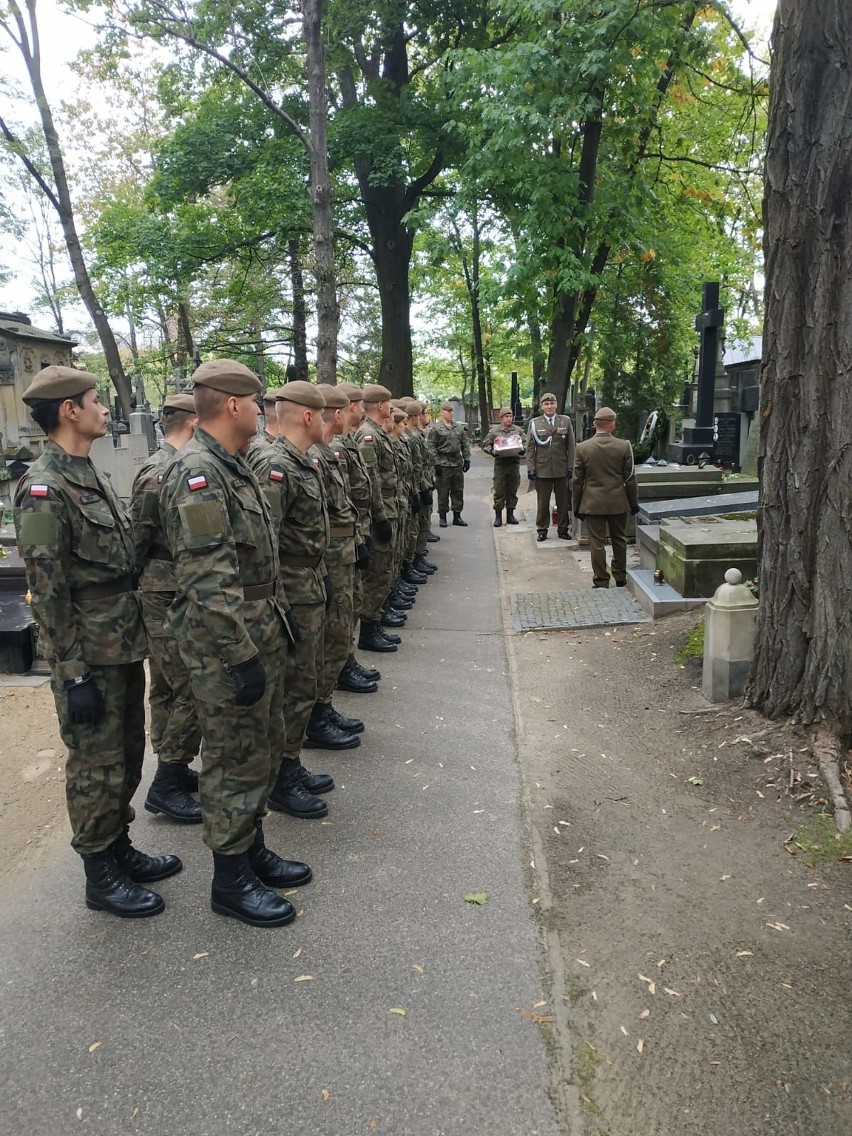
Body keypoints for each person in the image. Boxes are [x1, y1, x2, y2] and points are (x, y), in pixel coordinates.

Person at [14, 366, 180, 919]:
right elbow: (47, 586)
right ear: (69, 411)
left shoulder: (88, 472)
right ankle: (99, 873)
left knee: (129, 752)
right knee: (95, 764)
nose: (104, 408)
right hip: (88, 649)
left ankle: (118, 846)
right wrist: (71, 671)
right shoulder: (44, 487)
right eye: (95, 401)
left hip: (122, 639)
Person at [159, 359, 310, 928]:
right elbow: (206, 579)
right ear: (232, 405)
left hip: (258, 625)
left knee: (261, 746)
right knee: (232, 757)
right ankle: (230, 879)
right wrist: (239, 653)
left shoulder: (235, 464)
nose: (261, 409)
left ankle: (251, 849)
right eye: (255, 401)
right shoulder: (197, 471)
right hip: (227, 640)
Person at [244, 381, 337, 815]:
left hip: (307, 584)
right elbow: (267, 544)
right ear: (306, 416)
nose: (327, 421)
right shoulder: (274, 465)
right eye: (322, 415)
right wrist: (282, 603)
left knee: (303, 683)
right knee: (292, 688)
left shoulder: (298, 460)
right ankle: (282, 777)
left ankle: (290, 763)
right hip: (291, 592)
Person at [130, 392, 202, 824]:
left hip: (171, 590)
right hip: (164, 593)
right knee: (189, 685)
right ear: (193, 423)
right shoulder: (160, 472)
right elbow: (139, 540)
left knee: (167, 686)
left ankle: (171, 767)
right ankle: (167, 779)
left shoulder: (172, 465)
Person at [355, 383, 403, 652]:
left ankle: (376, 622)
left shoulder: (376, 434)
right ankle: (369, 631)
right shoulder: (368, 436)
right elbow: (370, 480)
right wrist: (380, 516)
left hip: (388, 508)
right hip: (378, 513)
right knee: (376, 573)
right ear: (381, 405)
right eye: (388, 403)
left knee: (383, 570)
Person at [572, 406, 640, 588]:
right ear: (612, 425)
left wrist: (576, 505)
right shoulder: (623, 446)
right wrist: (634, 503)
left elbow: (577, 480)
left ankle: (601, 580)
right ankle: (620, 577)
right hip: (618, 501)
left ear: (595, 425)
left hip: (593, 503)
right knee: (619, 539)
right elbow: (630, 478)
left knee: (597, 542)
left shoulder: (582, 448)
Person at [526, 393, 575, 541]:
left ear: (556, 405)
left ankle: (563, 529)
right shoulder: (535, 423)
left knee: (563, 502)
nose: (549, 407)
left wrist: (571, 466)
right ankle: (542, 530)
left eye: (551, 404)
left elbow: (571, 446)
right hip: (543, 469)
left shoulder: (565, 421)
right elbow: (530, 447)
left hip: (561, 468)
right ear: (542, 406)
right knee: (542, 502)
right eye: (546, 404)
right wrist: (531, 468)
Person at [482, 408, 525, 527]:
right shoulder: (494, 431)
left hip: (514, 463)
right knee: (499, 489)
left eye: (510, 417)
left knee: (512, 489)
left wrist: (522, 450)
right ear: (501, 418)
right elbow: (485, 444)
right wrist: (492, 451)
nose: (509, 419)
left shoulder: (517, 430)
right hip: (501, 464)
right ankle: (498, 516)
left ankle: (510, 514)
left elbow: (525, 443)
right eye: (506, 417)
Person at [430, 400, 471, 527]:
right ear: (442, 412)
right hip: (443, 463)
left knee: (458, 490)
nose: (450, 413)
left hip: (457, 462)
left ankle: (457, 516)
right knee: (443, 491)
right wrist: (436, 463)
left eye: (452, 410)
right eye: (448, 411)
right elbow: (431, 446)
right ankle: (442, 516)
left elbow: (464, 444)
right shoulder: (436, 428)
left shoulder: (458, 428)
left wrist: (467, 459)